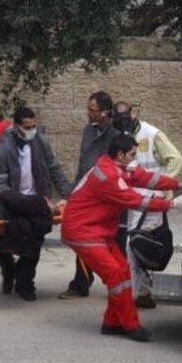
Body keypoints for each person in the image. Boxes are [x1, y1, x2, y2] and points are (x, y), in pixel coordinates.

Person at [60, 134, 182, 342]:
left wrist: (179, 184)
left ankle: (112, 323)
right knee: (116, 275)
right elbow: (135, 201)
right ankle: (131, 325)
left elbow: (146, 178)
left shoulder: (118, 166)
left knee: (122, 272)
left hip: (98, 230)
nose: (135, 158)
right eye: (132, 154)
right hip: (83, 230)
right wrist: (171, 205)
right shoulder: (108, 176)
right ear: (120, 155)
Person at [0, 106, 72, 301]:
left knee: (33, 243)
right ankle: (8, 270)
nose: (31, 130)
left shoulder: (40, 141)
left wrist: (69, 194)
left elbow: (54, 168)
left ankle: (25, 285)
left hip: (37, 200)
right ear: (16, 126)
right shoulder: (2, 148)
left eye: (34, 126)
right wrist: (17, 202)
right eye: (27, 127)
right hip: (10, 201)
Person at [112, 101, 182, 309]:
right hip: (131, 198)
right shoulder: (120, 136)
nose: (124, 122)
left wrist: (162, 186)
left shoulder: (152, 134)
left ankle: (137, 293)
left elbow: (175, 159)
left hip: (152, 198)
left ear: (135, 113)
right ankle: (140, 292)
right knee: (134, 244)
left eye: (127, 117)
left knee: (139, 244)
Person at [58, 91, 122, 299]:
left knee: (111, 241)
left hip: (108, 197)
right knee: (85, 238)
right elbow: (83, 162)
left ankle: (122, 283)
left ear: (105, 113)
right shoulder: (88, 131)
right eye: (88, 109)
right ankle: (81, 283)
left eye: (92, 110)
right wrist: (73, 192)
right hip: (86, 195)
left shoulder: (117, 134)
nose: (88, 113)